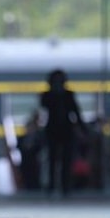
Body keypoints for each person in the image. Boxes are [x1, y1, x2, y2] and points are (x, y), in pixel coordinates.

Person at [40, 68, 86, 197]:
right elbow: (44, 110)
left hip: (65, 131)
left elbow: (75, 112)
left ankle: (65, 186)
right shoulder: (47, 95)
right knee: (53, 160)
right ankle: (53, 186)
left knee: (66, 160)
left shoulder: (68, 95)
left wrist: (82, 128)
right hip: (53, 130)